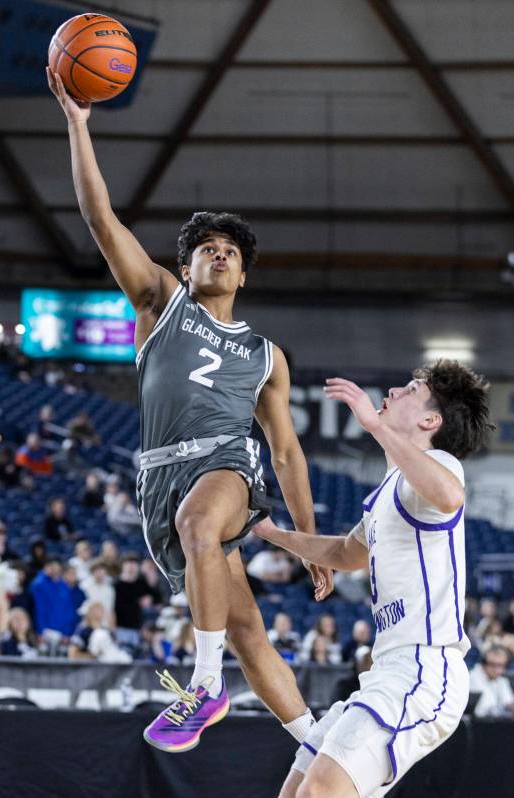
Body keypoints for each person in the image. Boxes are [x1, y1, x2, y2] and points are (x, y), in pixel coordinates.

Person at [175, 361, 493, 798]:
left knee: (319, 796)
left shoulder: (439, 469)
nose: (397, 390)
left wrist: (375, 425)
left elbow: (448, 496)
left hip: (425, 674)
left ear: (428, 421)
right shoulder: (391, 489)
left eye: (411, 391)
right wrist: (273, 536)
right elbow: (350, 552)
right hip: (390, 675)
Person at [48, 67, 332, 755]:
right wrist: (78, 126)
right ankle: (325, 751)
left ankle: (203, 688)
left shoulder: (265, 353)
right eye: (207, 248)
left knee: (201, 521)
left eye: (230, 252)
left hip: (224, 465)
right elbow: (98, 218)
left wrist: (310, 539)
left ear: (243, 275)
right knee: (245, 630)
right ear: (190, 265)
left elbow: (287, 452)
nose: (219, 254)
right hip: (158, 475)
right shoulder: (160, 301)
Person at [468, 645, 514, 718]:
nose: (498, 670)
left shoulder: (502, 680)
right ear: (484, 663)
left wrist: (513, 706)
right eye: (493, 665)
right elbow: (481, 712)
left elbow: (509, 705)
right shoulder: (472, 678)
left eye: (502, 665)